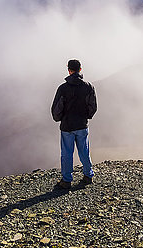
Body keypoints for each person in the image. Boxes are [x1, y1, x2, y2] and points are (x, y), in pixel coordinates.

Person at [51, 58, 97, 189]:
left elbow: (57, 108)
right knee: (84, 151)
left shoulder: (63, 88)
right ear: (80, 69)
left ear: (69, 70)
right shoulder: (88, 86)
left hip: (67, 126)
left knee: (66, 154)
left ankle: (66, 180)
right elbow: (92, 106)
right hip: (82, 125)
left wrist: (59, 119)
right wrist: (86, 116)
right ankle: (88, 175)